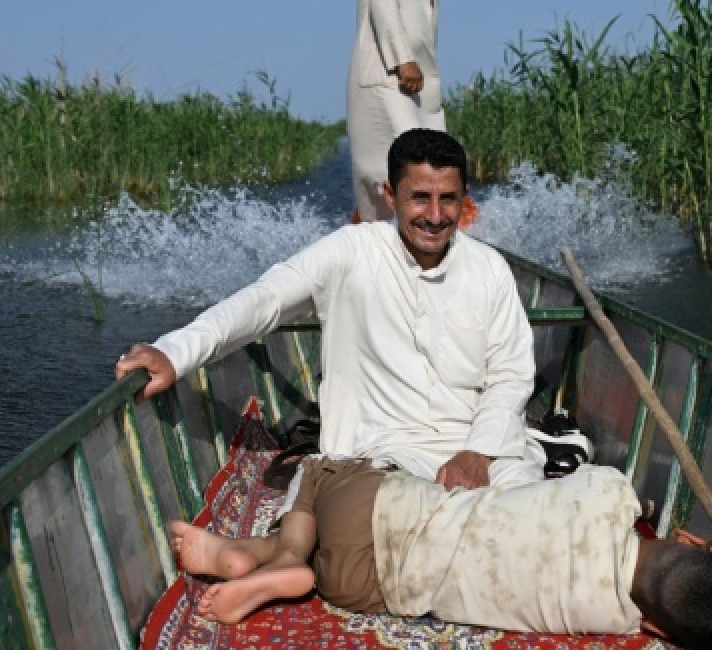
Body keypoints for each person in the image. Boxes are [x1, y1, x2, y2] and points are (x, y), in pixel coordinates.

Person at [116, 128, 546, 491]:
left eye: (448, 200)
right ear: (390, 195)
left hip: (482, 446)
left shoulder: (488, 267)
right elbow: (265, 300)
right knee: (389, 514)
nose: (435, 216)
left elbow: (510, 374)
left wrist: (477, 454)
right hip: (383, 454)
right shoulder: (350, 251)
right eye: (420, 199)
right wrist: (174, 353)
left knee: (536, 511)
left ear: (464, 200)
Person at [169, 457, 712, 650]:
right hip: (366, 583)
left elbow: (590, 486)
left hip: (380, 507)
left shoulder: (609, 490)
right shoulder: (610, 618)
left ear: (686, 541)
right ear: (654, 627)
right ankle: (271, 561)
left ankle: (277, 553)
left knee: (322, 472)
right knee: (329, 565)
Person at [347, 0, 447, 221]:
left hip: (415, 87)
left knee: (424, 174)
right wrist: (403, 59)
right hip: (389, 78)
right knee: (406, 176)